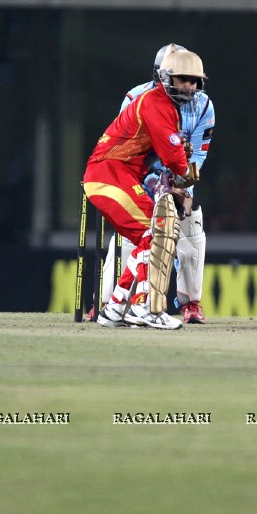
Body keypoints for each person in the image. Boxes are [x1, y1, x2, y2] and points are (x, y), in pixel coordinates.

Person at [84, 47, 207, 330]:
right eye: (182, 79)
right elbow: (176, 162)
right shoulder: (156, 104)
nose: (189, 86)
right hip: (111, 174)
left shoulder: (164, 105)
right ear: (166, 77)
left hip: (114, 174)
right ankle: (143, 307)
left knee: (148, 235)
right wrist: (181, 181)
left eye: (193, 80)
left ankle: (115, 307)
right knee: (156, 231)